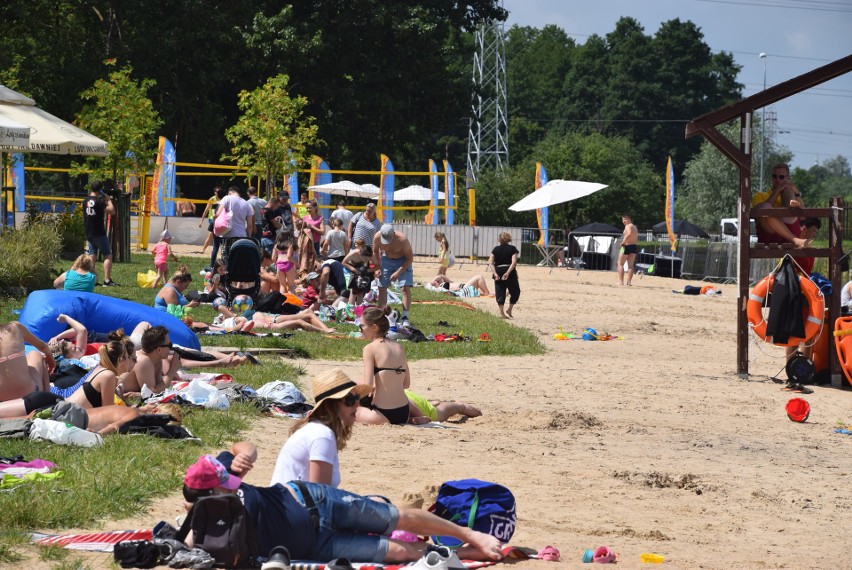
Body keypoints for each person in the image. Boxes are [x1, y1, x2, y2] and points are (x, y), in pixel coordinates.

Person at [180, 442, 504, 564]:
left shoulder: (219, 467)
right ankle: (462, 553)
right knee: (399, 553)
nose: (234, 488)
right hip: (317, 547)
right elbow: (189, 544)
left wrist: (245, 455)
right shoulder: (206, 521)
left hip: (313, 500)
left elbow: (244, 446)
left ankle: (469, 534)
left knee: (396, 518)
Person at [270, 369, 371, 488]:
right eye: (349, 400)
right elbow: (320, 496)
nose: (357, 404)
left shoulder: (317, 430)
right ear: (330, 405)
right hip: (294, 505)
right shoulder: (322, 436)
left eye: (357, 398)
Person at [356, 306, 411, 426]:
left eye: (362, 326)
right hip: (404, 412)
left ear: (374, 327)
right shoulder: (399, 347)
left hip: (383, 413)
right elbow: (406, 384)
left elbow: (367, 387)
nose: (360, 330)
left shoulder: (369, 349)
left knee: (347, 410)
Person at [65, 335, 135, 409]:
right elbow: (108, 411)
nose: (130, 360)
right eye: (128, 357)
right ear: (120, 360)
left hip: (69, 412)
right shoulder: (108, 375)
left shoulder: (101, 369)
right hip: (70, 417)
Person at [753, 163, 808, 248]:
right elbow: (761, 212)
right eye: (774, 176)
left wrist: (795, 191)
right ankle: (794, 240)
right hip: (770, 235)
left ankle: (794, 239)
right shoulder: (759, 195)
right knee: (766, 208)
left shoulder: (793, 193)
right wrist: (777, 190)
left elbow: (802, 217)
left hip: (790, 226)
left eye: (781, 177)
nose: (777, 179)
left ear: (787, 178)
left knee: (788, 191)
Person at [118, 325, 183, 395]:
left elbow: (159, 386)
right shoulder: (143, 360)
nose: (171, 349)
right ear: (159, 350)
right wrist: (172, 370)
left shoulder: (157, 359)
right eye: (169, 346)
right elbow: (153, 392)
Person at [0, 321, 54, 402]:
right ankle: (48, 398)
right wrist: (51, 361)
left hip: (4, 403)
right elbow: (43, 346)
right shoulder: (15, 327)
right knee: (35, 354)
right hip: (30, 395)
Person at [373, 224, 414, 327]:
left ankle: (405, 317)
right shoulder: (377, 237)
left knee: (405, 288)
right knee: (382, 287)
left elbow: (410, 258)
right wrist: (377, 267)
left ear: (393, 234)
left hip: (403, 260)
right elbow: (375, 251)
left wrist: (398, 272)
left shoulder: (402, 239)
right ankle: (382, 315)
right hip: (386, 260)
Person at [83, 180, 117, 286]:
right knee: (107, 255)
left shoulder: (85, 201)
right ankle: (107, 280)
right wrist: (108, 199)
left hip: (89, 231)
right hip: (99, 232)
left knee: (92, 255)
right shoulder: (98, 202)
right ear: (100, 190)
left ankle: (93, 279)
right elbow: (112, 211)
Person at [485, 232, 520, 319]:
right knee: (515, 291)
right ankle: (509, 309)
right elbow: (514, 262)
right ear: (508, 239)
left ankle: (502, 313)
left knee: (500, 292)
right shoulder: (513, 249)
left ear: (499, 239)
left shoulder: (495, 249)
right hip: (509, 271)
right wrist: (508, 272)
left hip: (498, 270)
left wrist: (495, 273)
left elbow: (491, 262)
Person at [404, 390, 482, 424]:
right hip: (408, 396)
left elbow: (421, 417)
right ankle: (430, 404)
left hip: (427, 411)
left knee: (442, 412)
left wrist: (418, 418)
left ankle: (461, 405)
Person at [342, 239, 374, 305]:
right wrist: (353, 269)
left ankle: (359, 307)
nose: (366, 260)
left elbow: (378, 265)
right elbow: (343, 262)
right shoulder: (353, 253)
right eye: (365, 258)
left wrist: (368, 270)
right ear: (360, 254)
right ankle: (351, 308)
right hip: (349, 268)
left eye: (367, 259)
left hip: (360, 269)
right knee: (353, 290)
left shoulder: (368, 254)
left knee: (361, 291)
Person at [250, 310, 337, 334]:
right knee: (309, 314)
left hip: (275, 318)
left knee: (308, 312)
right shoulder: (247, 318)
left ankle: (326, 329)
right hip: (276, 320)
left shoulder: (247, 317)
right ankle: (326, 330)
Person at [203, 186, 226, 267]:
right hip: (225, 226)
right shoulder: (226, 204)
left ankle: (212, 265)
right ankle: (224, 264)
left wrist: (213, 226)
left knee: (215, 247)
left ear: (217, 195)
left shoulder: (215, 204)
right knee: (224, 246)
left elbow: (214, 216)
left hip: (216, 225)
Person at [617, 214, 639, 286]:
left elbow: (629, 234)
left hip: (626, 246)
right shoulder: (634, 227)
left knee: (620, 264)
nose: (623, 221)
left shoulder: (628, 226)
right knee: (630, 265)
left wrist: (623, 241)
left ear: (629, 219)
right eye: (622, 219)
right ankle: (629, 282)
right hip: (633, 246)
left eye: (625, 219)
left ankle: (621, 282)